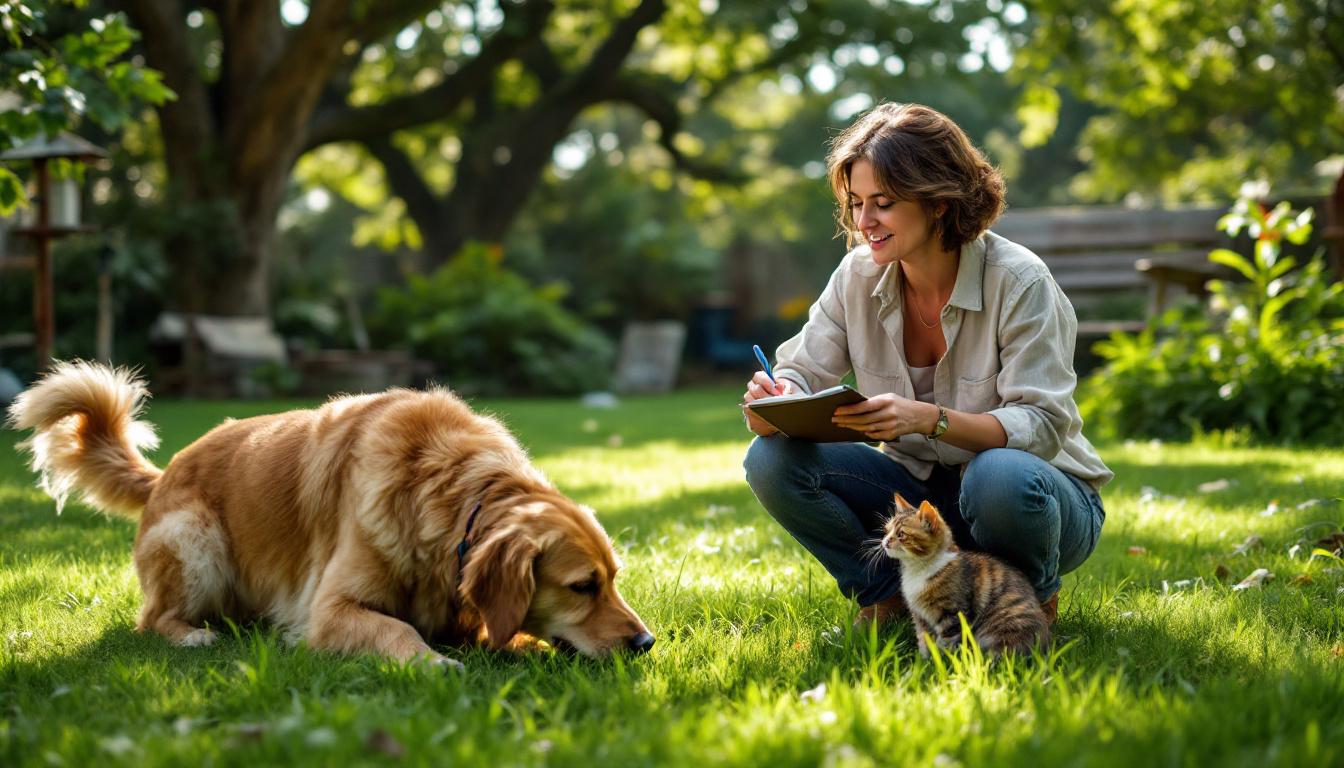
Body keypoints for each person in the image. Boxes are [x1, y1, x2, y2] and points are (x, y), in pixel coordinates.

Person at [741, 103, 1111, 629]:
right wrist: (775, 399)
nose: (864, 222)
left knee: (996, 475)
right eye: (855, 203)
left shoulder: (1019, 281)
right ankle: (888, 597)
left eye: (884, 203)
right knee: (769, 461)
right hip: (924, 508)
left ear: (938, 202)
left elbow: (1043, 425)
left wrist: (927, 418)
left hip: (1035, 499)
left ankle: (1027, 602)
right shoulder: (857, 277)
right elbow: (800, 370)